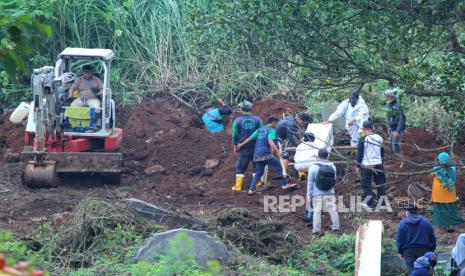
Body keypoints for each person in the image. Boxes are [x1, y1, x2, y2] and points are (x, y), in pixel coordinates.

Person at [237, 115, 297, 195]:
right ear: (273, 123)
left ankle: (251, 189)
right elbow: (270, 142)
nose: (277, 126)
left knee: (258, 172)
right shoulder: (271, 130)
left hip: (257, 154)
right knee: (279, 166)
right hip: (265, 154)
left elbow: (249, 138)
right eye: (276, 124)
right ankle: (285, 184)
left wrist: (240, 145)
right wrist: (277, 151)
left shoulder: (259, 130)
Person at [231, 100, 263, 191]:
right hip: (256, 147)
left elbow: (234, 135)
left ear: (241, 109)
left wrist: (235, 147)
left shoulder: (237, 121)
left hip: (243, 147)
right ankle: (257, 184)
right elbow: (262, 133)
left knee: (241, 166)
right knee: (257, 165)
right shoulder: (258, 119)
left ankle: (238, 186)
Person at [307, 149, 340, 236]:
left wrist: (308, 194)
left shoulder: (313, 167)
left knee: (317, 212)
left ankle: (316, 231)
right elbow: (334, 180)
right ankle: (336, 228)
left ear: (318, 156)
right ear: (327, 156)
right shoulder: (333, 167)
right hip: (330, 193)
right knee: (333, 211)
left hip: (317, 194)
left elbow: (310, 183)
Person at [396, 204, 437, 272]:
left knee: (412, 271)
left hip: (408, 251)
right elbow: (432, 237)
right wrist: (432, 249)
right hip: (425, 250)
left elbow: (399, 239)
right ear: (417, 211)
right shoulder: (426, 222)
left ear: (407, 212)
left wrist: (400, 251)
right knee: (426, 270)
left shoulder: (402, 223)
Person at [356, 120, 386, 209]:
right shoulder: (379, 138)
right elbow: (382, 151)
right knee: (380, 183)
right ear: (372, 127)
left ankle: (370, 204)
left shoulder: (363, 139)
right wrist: (381, 161)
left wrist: (357, 165)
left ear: (363, 128)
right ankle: (383, 204)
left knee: (366, 184)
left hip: (367, 165)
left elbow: (360, 154)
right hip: (379, 164)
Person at [431, 152, 463, 228]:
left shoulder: (436, 168)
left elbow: (434, 174)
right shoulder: (453, 168)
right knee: (450, 205)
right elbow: (453, 179)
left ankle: (441, 223)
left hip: (439, 191)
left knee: (440, 206)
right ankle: (452, 222)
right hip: (449, 191)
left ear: (440, 160)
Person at [276, 113, 311, 177]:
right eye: (303, 123)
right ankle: (284, 173)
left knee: (287, 154)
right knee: (285, 155)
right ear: (300, 120)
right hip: (278, 139)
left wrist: (300, 139)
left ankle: (285, 171)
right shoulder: (291, 124)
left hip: (282, 137)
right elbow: (290, 137)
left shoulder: (293, 120)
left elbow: (295, 132)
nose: (303, 125)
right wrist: (298, 145)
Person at [385, 89, 406, 154]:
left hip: (396, 129)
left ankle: (401, 161)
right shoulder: (389, 105)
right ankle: (394, 162)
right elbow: (390, 117)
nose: (385, 97)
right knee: (391, 145)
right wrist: (389, 127)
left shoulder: (397, 105)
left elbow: (401, 119)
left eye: (386, 96)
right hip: (392, 128)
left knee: (396, 145)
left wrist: (398, 130)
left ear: (390, 96)